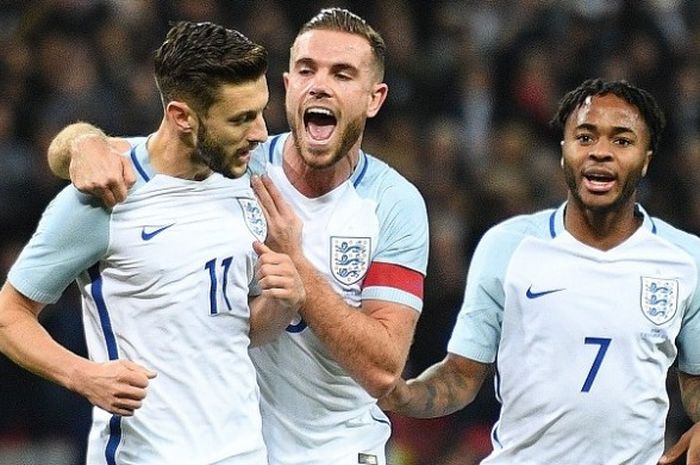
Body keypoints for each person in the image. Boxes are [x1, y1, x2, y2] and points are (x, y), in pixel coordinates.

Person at [46, 8, 429, 465]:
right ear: (287, 86)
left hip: (338, 453)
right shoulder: (232, 161)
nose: (320, 85)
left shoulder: (392, 205)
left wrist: (298, 266)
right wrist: (84, 143)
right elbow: (110, 151)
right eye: (307, 70)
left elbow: (384, 372)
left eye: (343, 74)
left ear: (374, 98)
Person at [0, 21, 305, 465]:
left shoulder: (249, 180)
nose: (261, 131)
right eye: (241, 118)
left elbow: (241, 332)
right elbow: (9, 315)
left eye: (260, 111)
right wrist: (83, 375)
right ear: (182, 117)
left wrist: (283, 302)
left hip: (244, 453)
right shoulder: (107, 193)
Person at [379, 78, 700, 464]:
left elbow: (695, 383)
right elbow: (462, 376)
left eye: (621, 140)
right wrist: (403, 394)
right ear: (564, 153)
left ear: (646, 158)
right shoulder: (508, 246)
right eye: (585, 137)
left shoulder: (686, 258)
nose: (601, 152)